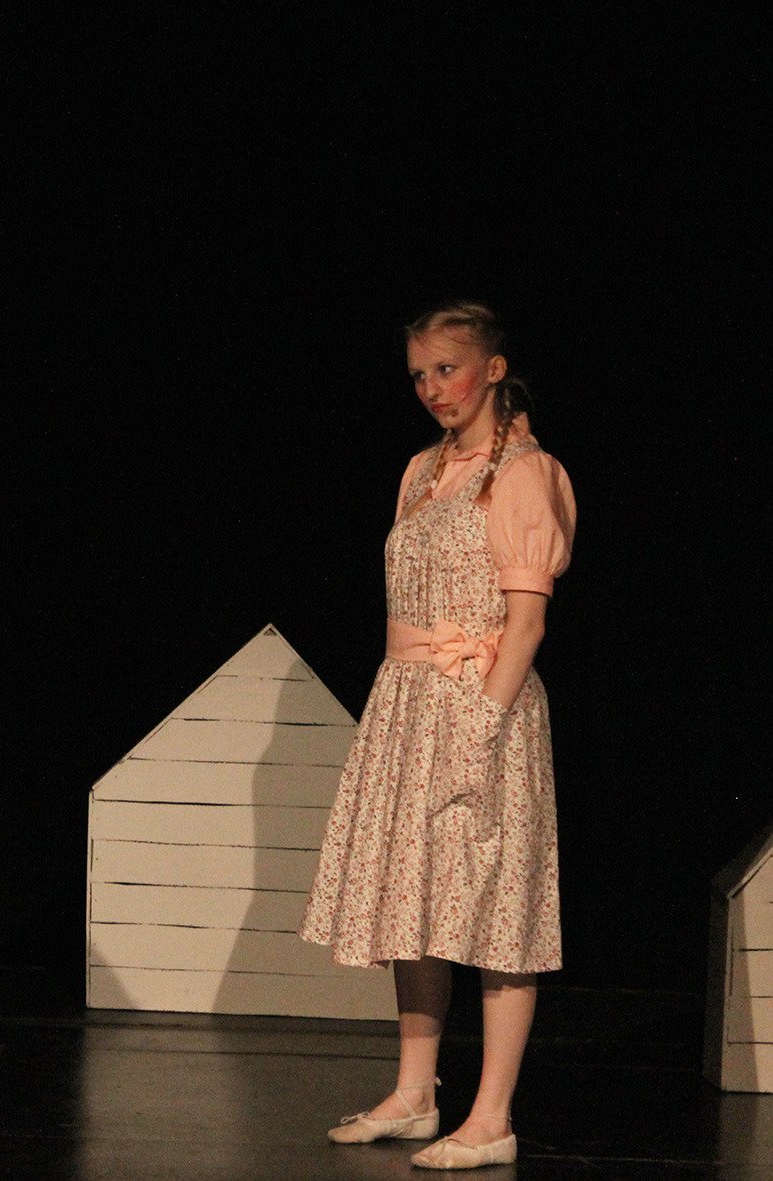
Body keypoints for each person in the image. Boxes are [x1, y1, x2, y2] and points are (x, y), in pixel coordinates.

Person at [300, 302, 576, 1169]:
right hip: (409, 704)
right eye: (419, 374)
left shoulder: (524, 472)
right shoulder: (421, 470)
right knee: (416, 898)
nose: (431, 388)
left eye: (447, 369)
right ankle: (416, 1093)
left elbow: (526, 623)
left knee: (496, 908)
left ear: (493, 369)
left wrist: (480, 729)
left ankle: (491, 1117)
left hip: (481, 706)